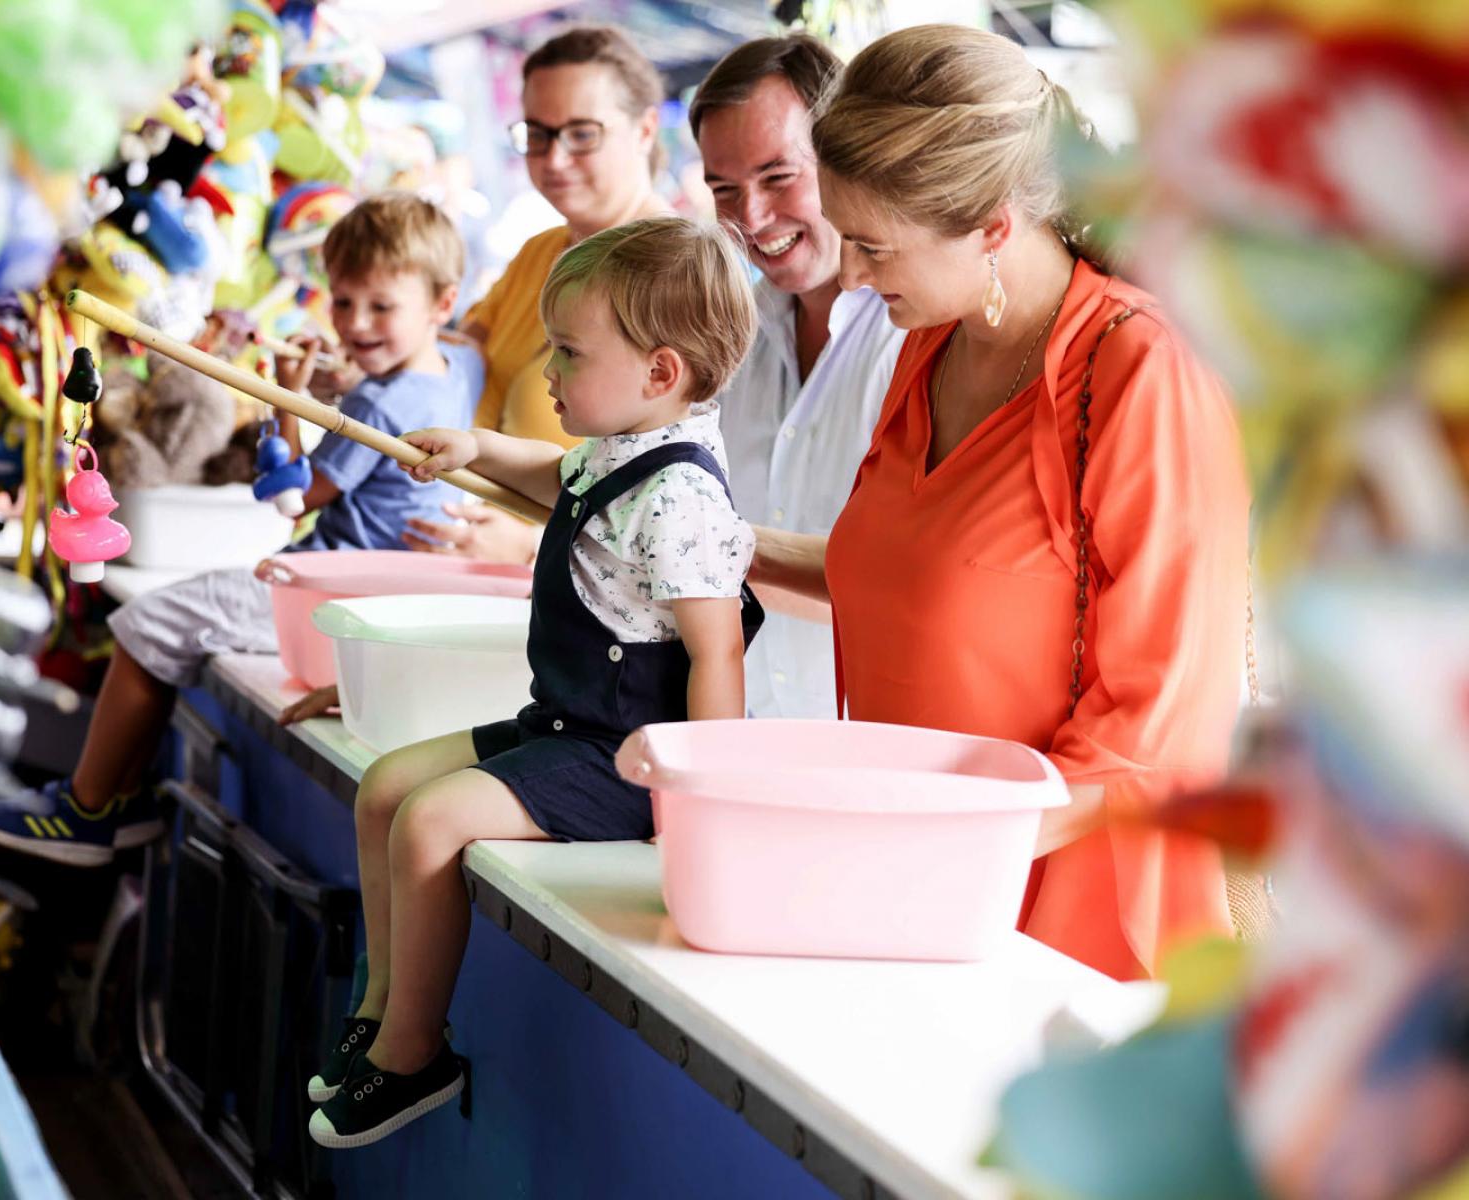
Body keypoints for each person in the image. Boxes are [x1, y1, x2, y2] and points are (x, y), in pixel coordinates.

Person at [751, 25, 1250, 980]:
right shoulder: (926, 348)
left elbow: (1156, 725)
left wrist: (927, 852)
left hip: (1066, 928)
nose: (848, 277)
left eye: (868, 245)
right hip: (916, 897)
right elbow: (906, 584)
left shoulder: (1142, 372)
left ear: (990, 225)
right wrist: (722, 546)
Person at [305, 217, 762, 1148]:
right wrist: (478, 448)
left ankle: (413, 1053)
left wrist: (700, 803)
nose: (546, 372)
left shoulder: (682, 498)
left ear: (660, 372)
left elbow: (717, 653)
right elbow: (557, 479)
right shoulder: (622, 449)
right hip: (565, 724)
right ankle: (381, 1004)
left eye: (567, 353)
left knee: (431, 819)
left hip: (625, 758)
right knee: (388, 783)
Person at [0, 193, 485, 865]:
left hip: (334, 598)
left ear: (441, 304)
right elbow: (448, 363)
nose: (356, 323)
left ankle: (88, 810)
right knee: (166, 621)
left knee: (145, 623)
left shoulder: (380, 403)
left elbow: (293, 498)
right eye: (344, 302)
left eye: (381, 307)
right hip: (390, 597)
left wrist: (290, 398)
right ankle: (121, 801)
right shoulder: (459, 370)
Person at [691, 34, 906, 718]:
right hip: (741, 735)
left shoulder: (919, 336)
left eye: (778, 177)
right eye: (724, 189)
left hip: (874, 750)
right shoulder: (729, 333)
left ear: (844, 157)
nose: (751, 218)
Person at [405, 24, 673, 564]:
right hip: (459, 563)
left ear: (645, 129)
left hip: (576, 600)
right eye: (538, 134)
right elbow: (458, 356)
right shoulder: (539, 250)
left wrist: (531, 544)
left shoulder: (674, 276)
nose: (553, 159)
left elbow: (673, 495)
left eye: (582, 134)